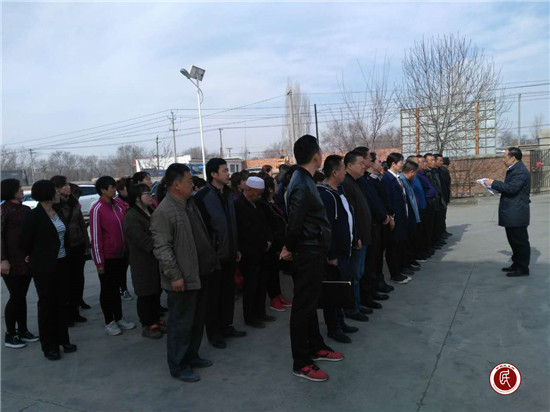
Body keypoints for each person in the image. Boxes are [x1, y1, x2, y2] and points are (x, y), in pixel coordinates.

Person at [280, 134, 344, 382]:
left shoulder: (305, 180)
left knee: (310, 304)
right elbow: (294, 223)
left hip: (314, 250)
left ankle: (316, 346)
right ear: (316, 156)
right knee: (302, 308)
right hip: (307, 253)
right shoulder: (301, 183)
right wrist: (289, 246)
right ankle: (301, 362)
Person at [151, 163, 219, 383]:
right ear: (177, 185)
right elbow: (162, 248)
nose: (193, 184)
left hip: (200, 273)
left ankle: (192, 356)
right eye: (189, 181)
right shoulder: (164, 211)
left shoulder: (189, 204)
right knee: (181, 324)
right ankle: (178, 365)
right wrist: (175, 276)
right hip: (182, 278)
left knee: (196, 321)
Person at [20, 180, 77, 360]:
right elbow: (24, 242)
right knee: (47, 305)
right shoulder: (34, 215)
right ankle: (49, 345)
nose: (58, 193)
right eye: (55, 191)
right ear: (46, 194)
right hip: (44, 267)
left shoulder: (57, 211)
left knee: (62, 303)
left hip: (62, 263)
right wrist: (38, 256)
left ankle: (63, 340)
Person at [194, 158, 246, 349]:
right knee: (213, 297)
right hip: (213, 257)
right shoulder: (203, 197)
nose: (228, 173)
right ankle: (214, 333)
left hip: (230, 252)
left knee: (228, 294)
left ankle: (226, 326)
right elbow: (202, 230)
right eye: (224, 170)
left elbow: (231, 224)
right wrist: (210, 253)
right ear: (214, 174)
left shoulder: (228, 193)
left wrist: (236, 248)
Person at [318, 155, 359, 343]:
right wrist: (331, 254)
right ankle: (333, 328)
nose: (345, 171)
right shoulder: (325, 195)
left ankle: (341, 322)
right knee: (333, 292)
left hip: (346, 249)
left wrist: (355, 237)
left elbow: (348, 217)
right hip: (335, 254)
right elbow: (327, 229)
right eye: (343, 168)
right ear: (335, 172)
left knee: (342, 288)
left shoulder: (339, 191)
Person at [90, 176, 136, 336]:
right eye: (111, 187)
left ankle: (119, 317)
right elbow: (96, 238)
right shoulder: (97, 209)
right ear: (102, 190)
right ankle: (109, 321)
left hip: (121, 255)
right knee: (107, 290)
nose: (114, 190)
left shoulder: (117, 205)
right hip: (107, 258)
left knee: (116, 289)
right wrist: (99, 262)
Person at [1, 179, 39, 349]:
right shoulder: (3, 210)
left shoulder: (26, 209)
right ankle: (10, 334)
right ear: (11, 190)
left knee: (21, 296)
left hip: (26, 259)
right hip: (10, 260)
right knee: (15, 296)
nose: (22, 190)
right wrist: (3, 259)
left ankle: (23, 330)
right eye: (18, 188)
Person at [483, 147, 531, 277]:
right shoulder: (514, 169)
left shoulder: (520, 172)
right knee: (513, 241)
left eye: (505, 157)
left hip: (516, 212)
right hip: (512, 211)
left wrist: (494, 183)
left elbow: (511, 188)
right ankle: (516, 264)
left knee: (519, 242)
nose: (503, 160)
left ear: (513, 158)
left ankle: (522, 268)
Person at [123, 184, 163, 339]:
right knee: (145, 294)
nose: (150, 196)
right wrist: (160, 246)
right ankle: (147, 325)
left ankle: (156, 320)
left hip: (157, 260)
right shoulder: (132, 216)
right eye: (146, 194)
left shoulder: (151, 210)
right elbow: (142, 239)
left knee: (155, 292)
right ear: (137, 198)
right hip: (143, 262)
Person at [234, 177, 275, 328]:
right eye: (257, 193)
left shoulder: (259, 204)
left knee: (261, 284)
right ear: (248, 190)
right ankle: (250, 317)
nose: (259, 195)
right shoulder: (238, 205)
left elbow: (266, 224)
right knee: (251, 286)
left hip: (263, 251)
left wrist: (269, 240)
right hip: (249, 252)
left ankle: (261, 312)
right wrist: (262, 243)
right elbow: (245, 230)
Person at [50, 176, 90, 326]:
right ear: (56, 189)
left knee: (78, 279)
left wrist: (87, 243)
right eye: (63, 185)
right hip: (64, 248)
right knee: (65, 282)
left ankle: (75, 310)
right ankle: (67, 314)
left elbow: (81, 224)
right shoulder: (55, 205)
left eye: (67, 184)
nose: (67, 187)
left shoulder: (74, 202)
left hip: (78, 244)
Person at [341, 151, 371, 321]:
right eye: (360, 163)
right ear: (349, 165)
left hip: (363, 237)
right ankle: (352, 309)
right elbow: (350, 215)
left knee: (358, 274)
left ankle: (357, 304)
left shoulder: (356, 182)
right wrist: (356, 236)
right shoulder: (346, 183)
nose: (363, 166)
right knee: (353, 275)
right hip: (356, 239)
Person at [381, 153, 412, 284]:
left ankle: (400, 269)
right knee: (393, 247)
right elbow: (387, 200)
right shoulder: (387, 179)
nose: (402, 165)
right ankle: (395, 274)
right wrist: (391, 216)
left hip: (402, 215)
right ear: (393, 164)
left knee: (400, 245)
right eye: (400, 163)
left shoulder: (398, 177)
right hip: (394, 218)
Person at [367, 153, 395, 294]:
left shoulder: (377, 178)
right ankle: (376, 283)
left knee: (378, 255)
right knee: (375, 257)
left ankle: (380, 281)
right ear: (371, 163)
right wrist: (384, 217)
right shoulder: (369, 180)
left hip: (383, 219)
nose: (381, 164)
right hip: (376, 222)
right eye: (378, 161)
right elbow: (374, 203)